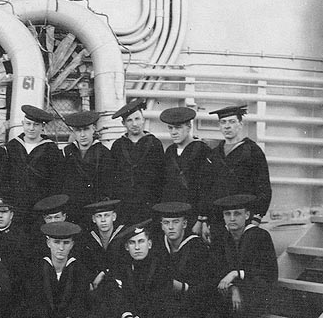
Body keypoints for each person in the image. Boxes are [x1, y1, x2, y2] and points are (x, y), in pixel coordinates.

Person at [210, 194, 277, 318]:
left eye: (237, 213)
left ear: (247, 215)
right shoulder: (223, 238)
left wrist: (236, 274)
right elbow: (218, 268)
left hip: (258, 288)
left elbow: (267, 272)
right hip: (233, 288)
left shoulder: (260, 236)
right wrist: (234, 288)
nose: (232, 218)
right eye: (227, 214)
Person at [101, 227, 174, 318]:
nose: (137, 247)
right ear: (126, 247)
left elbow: (158, 300)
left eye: (141, 241)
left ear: (149, 244)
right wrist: (128, 317)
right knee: (105, 300)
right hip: (127, 316)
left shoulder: (161, 267)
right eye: (132, 243)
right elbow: (116, 295)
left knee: (165, 312)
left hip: (148, 317)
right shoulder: (121, 266)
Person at [207, 104, 272, 242]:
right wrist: (206, 219)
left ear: (240, 124)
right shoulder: (214, 153)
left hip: (244, 218)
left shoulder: (252, 151)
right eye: (223, 122)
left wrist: (257, 217)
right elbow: (208, 188)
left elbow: (264, 186)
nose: (227, 126)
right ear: (219, 126)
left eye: (232, 121)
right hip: (218, 219)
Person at [153, 201, 215, 318]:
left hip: (193, 300)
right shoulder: (157, 245)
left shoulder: (196, 246)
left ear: (185, 224)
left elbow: (206, 284)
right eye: (166, 223)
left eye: (176, 222)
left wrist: (182, 288)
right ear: (161, 225)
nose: (171, 227)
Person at [26, 221, 91, 318]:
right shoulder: (36, 268)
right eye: (56, 242)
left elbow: (78, 302)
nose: (61, 248)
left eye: (66, 243)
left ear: (72, 245)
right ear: (48, 243)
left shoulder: (79, 269)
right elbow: (34, 300)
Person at [159, 106, 214, 237]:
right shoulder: (170, 151)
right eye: (170, 128)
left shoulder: (202, 150)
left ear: (189, 127)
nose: (173, 132)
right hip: (174, 216)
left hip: (194, 215)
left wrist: (202, 219)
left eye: (178, 128)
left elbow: (207, 188)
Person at [6, 105, 63, 230]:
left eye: (36, 125)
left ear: (42, 127)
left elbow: (57, 181)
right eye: (28, 124)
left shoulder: (51, 149)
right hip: (16, 206)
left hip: (41, 206)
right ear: (23, 124)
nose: (31, 128)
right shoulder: (12, 146)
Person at [110, 99, 165, 225]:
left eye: (137, 119)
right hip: (124, 206)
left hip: (149, 204)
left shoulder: (154, 144)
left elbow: (161, 176)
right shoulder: (117, 146)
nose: (134, 123)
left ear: (143, 119)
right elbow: (113, 178)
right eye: (129, 120)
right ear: (123, 123)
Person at [61, 111, 113, 229]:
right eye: (78, 131)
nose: (83, 135)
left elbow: (108, 187)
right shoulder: (67, 152)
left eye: (86, 129)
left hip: (95, 210)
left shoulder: (104, 153)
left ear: (93, 129)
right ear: (73, 132)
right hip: (73, 210)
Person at [77, 199, 128, 295]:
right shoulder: (88, 239)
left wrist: (104, 274)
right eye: (99, 216)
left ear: (114, 217)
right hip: (96, 287)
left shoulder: (124, 236)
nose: (103, 220)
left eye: (107, 215)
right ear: (93, 219)